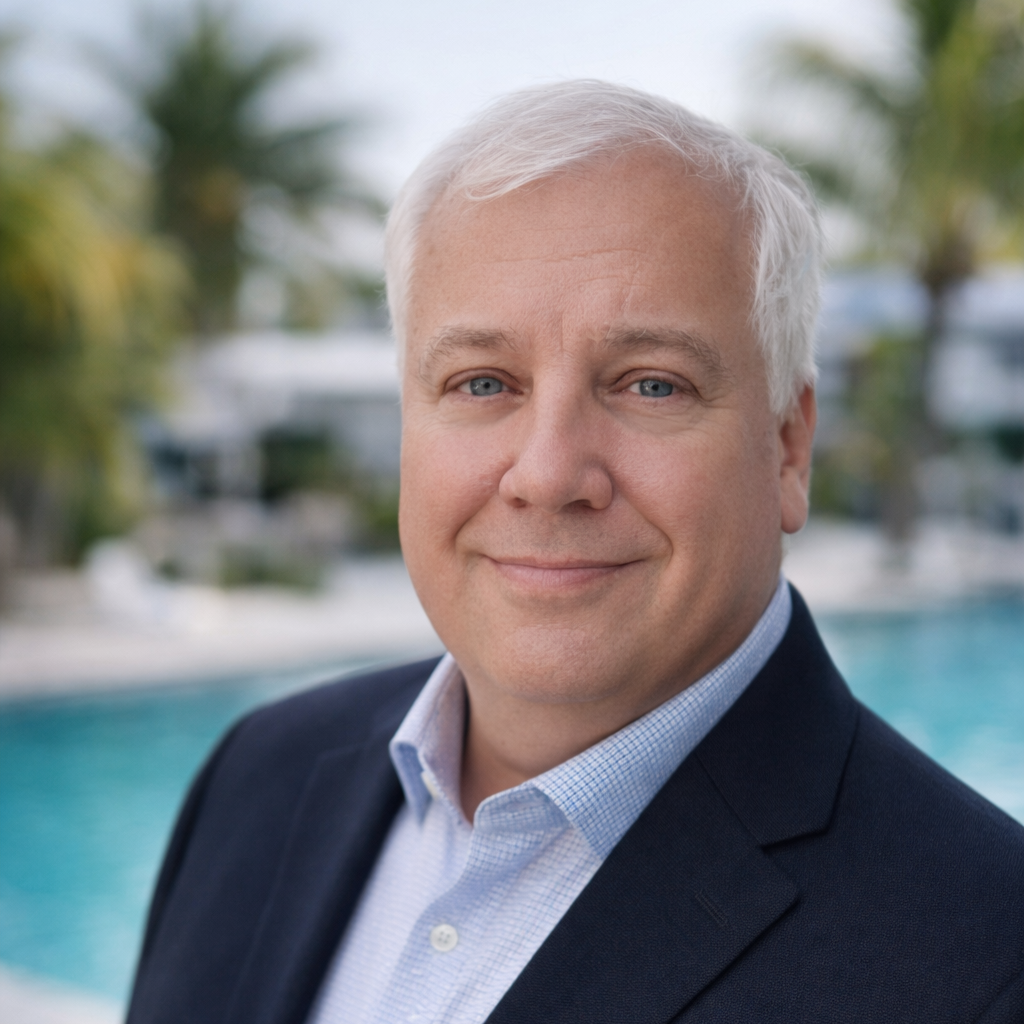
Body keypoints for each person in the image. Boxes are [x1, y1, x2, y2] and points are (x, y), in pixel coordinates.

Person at [125, 81, 1024, 1024]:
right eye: (481, 382)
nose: (549, 474)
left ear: (788, 447)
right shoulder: (259, 774)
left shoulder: (986, 962)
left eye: (650, 385)